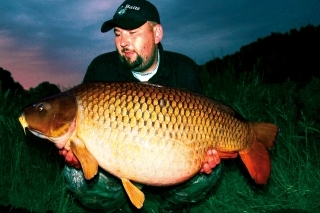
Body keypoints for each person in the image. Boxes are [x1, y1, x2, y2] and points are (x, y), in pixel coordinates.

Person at [59, 0, 223, 212]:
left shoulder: (184, 71)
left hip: (171, 170)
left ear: (156, 34)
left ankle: (169, 207)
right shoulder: (101, 70)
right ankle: (119, 208)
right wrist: (78, 158)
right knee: (75, 175)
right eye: (118, 34)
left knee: (210, 172)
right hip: (115, 170)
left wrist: (205, 157)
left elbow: (203, 127)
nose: (123, 42)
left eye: (133, 32)